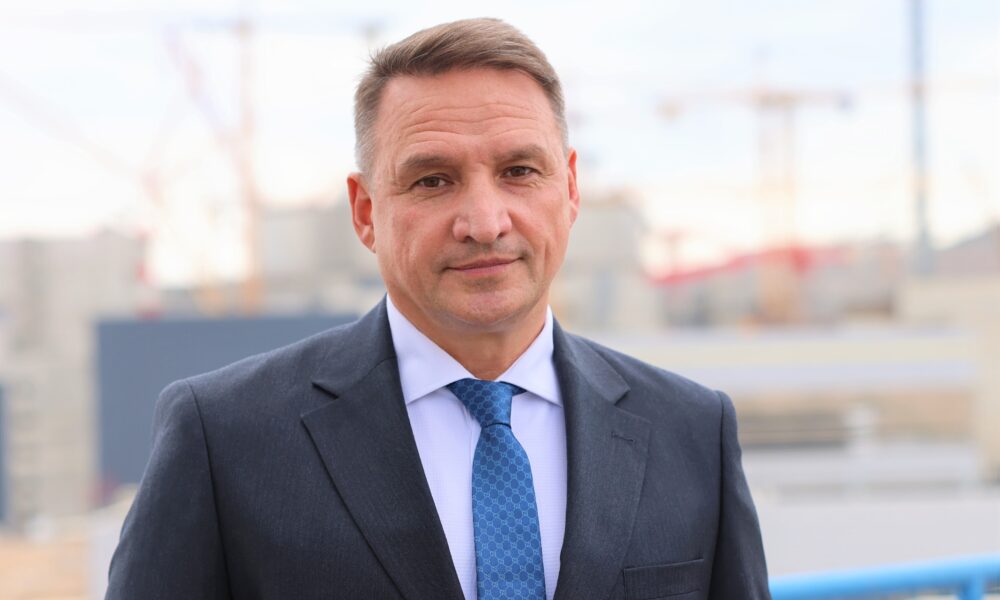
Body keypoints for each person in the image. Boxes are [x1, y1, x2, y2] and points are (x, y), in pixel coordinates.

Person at [106, 17, 770, 600]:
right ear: (366, 211)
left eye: (519, 171)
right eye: (433, 180)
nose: (484, 222)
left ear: (570, 188)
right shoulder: (224, 437)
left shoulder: (692, 431)